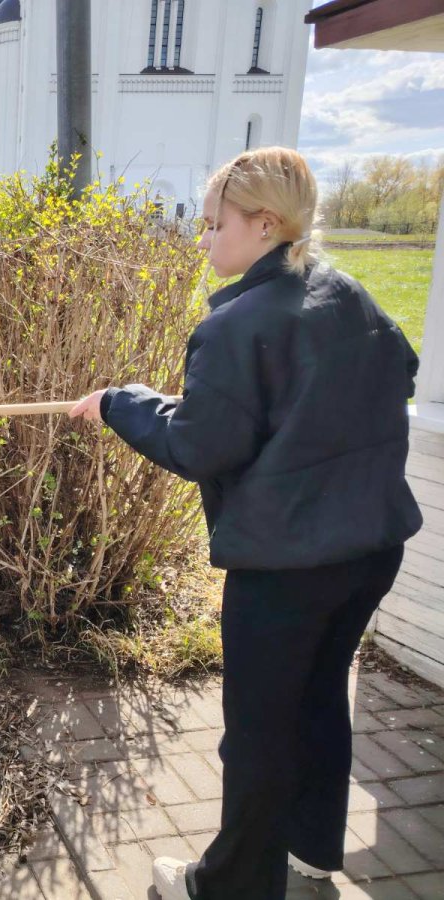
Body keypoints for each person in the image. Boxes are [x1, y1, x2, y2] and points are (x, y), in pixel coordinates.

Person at [68, 147, 422, 900]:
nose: (203, 239)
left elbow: (201, 446)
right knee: (319, 696)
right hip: (369, 550)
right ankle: (312, 847)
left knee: (258, 729)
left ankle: (228, 885)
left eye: (213, 224)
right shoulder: (345, 293)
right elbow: (401, 369)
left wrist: (122, 404)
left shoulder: (236, 326)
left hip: (287, 567)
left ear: (264, 224)